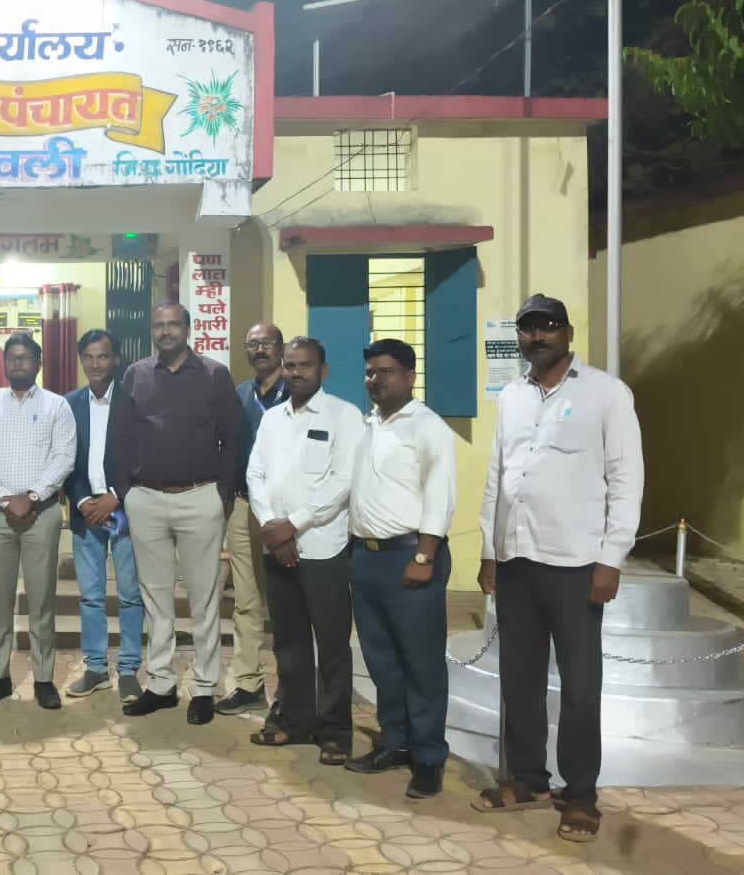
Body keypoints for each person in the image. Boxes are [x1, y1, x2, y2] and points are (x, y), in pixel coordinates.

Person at [472, 294, 643, 844]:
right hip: (517, 559)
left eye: (547, 326)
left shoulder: (606, 393)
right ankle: (528, 780)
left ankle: (581, 793)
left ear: (568, 333)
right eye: (527, 328)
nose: (537, 336)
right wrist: (490, 549)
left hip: (576, 563)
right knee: (519, 677)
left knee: (579, 684)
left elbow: (627, 479)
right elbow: (498, 475)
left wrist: (612, 558)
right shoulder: (513, 396)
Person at [113, 302, 241, 726]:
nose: (165, 331)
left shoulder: (214, 374)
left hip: (200, 496)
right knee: (155, 598)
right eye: (159, 325)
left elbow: (233, 438)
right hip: (146, 499)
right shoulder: (135, 375)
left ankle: (204, 687)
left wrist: (221, 494)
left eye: (173, 324)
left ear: (188, 328)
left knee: (204, 599)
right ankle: (161, 684)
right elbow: (120, 437)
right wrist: (127, 492)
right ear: (151, 331)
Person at [345, 339, 457, 799]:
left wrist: (424, 557)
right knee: (382, 661)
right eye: (370, 372)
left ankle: (429, 757)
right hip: (366, 558)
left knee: (422, 663)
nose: (376, 380)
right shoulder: (368, 424)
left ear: (410, 376)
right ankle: (396, 742)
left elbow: (440, 494)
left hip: (411, 557)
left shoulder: (428, 426)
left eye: (386, 372)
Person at [246, 337, 364, 764]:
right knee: (289, 642)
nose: (296, 372)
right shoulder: (272, 419)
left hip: (323, 549)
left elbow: (343, 481)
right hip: (277, 547)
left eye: (305, 365)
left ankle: (335, 732)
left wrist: (291, 525)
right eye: (290, 365)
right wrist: (271, 526)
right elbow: (255, 473)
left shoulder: (345, 416)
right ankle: (295, 721)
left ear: (323, 370)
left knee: (331, 645)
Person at [0, 333, 77, 710]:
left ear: (38, 363)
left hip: (41, 514)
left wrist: (31, 496)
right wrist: (5, 498)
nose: (18, 363)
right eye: (12, 357)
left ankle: (44, 679)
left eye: (25, 357)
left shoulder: (57, 406)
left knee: (42, 600)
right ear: (4, 363)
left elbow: (64, 457)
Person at [63, 329, 144, 703]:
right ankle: (96, 668)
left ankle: (128, 669)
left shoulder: (133, 401)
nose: (96, 364)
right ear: (82, 360)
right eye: (89, 357)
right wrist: (82, 501)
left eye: (103, 356)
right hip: (86, 514)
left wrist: (115, 497)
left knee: (129, 596)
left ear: (115, 359)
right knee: (91, 597)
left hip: (124, 511)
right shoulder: (69, 405)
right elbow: (64, 459)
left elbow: (143, 456)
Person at [218, 322, 290, 718]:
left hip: (286, 511)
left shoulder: (295, 391)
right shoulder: (241, 394)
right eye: (252, 344)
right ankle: (248, 684)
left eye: (267, 343)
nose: (260, 349)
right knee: (246, 601)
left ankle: (291, 691)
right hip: (245, 507)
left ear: (280, 347)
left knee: (286, 601)